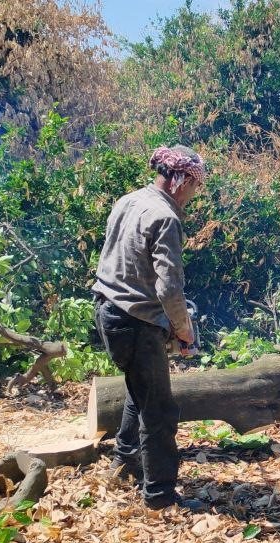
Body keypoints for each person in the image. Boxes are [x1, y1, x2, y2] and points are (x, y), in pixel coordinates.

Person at [92, 145, 205, 510]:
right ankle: (159, 495)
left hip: (109, 312)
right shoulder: (165, 217)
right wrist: (183, 329)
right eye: (195, 186)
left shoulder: (129, 201)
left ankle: (125, 463)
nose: (193, 195)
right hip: (136, 323)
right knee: (159, 410)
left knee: (139, 390)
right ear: (181, 180)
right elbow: (169, 288)